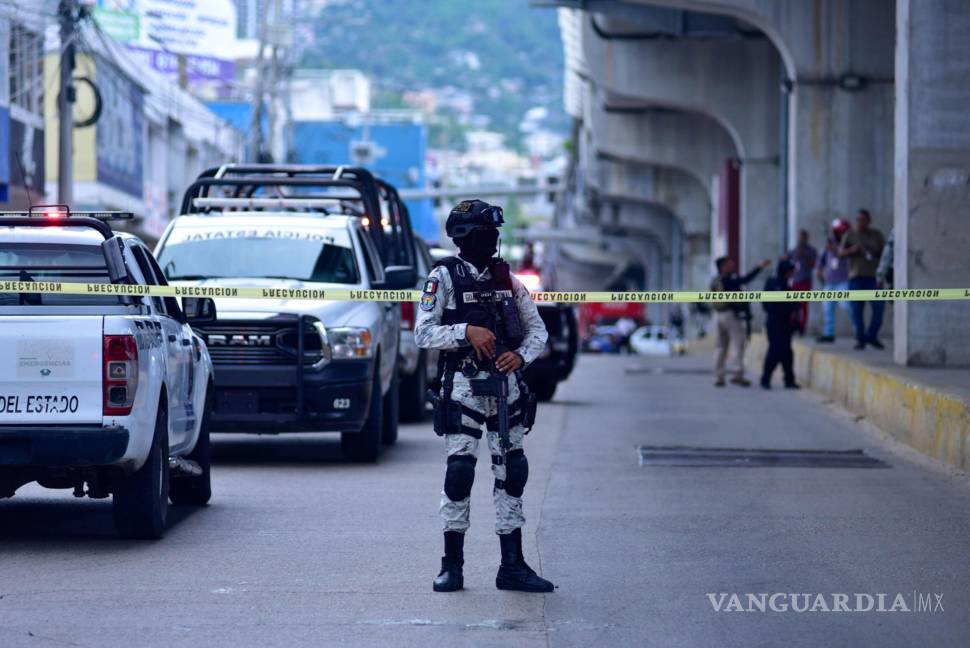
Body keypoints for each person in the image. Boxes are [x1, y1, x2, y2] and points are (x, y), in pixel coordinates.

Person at [415, 199, 554, 594]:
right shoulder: (442, 277)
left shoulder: (508, 280)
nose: (492, 240)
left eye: (495, 233)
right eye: (485, 233)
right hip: (462, 387)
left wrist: (520, 356)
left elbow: (537, 332)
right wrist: (465, 333)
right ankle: (452, 565)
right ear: (466, 236)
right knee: (459, 473)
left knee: (512, 474)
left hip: (506, 389)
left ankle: (512, 566)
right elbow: (423, 333)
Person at [710, 256, 771, 387]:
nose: (732, 266)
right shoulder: (729, 279)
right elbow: (746, 279)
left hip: (718, 315)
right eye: (728, 264)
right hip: (730, 315)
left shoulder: (715, 281)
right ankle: (738, 373)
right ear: (723, 267)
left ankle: (718, 376)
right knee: (738, 344)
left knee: (720, 347)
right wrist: (759, 267)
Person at [838, 209, 886, 350]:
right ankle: (861, 338)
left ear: (869, 221)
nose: (860, 222)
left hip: (874, 278)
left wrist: (872, 251)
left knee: (878, 309)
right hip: (856, 277)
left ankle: (871, 335)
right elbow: (840, 254)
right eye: (858, 219)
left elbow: (885, 253)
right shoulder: (850, 235)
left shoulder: (876, 235)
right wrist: (852, 250)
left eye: (863, 219)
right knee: (856, 311)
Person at [760, 260, 800, 389]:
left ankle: (789, 380)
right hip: (776, 322)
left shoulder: (783, 283)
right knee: (775, 351)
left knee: (787, 353)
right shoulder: (776, 284)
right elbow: (773, 304)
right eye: (791, 270)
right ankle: (765, 378)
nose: (793, 273)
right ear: (787, 271)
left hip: (784, 322)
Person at [815, 218, 852, 343]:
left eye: (844, 232)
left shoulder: (849, 244)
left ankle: (859, 332)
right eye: (840, 232)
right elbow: (821, 259)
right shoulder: (828, 244)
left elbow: (841, 254)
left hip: (844, 281)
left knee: (848, 306)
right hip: (830, 282)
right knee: (827, 309)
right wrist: (819, 269)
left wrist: (833, 249)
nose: (842, 234)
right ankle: (828, 334)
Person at [787, 229, 817, 334]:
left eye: (803, 237)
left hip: (805, 280)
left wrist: (805, 256)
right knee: (793, 304)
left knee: (804, 305)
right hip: (795, 281)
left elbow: (813, 265)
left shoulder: (811, 251)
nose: (801, 240)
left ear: (806, 238)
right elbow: (787, 263)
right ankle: (793, 325)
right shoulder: (793, 251)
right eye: (799, 237)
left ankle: (802, 327)